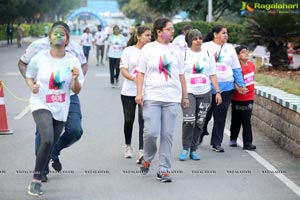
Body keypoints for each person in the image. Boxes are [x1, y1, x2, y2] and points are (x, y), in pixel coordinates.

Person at [18, 21, 87, 182]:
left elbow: (83, 66)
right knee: (43, 134)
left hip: (67, 94)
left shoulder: (74, 48)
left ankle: (53, 151)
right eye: (56, 33)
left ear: (68, 38)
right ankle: (41, 171)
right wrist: (31, 83)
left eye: (63, 34)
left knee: (75, 130)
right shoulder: (37, 46)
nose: (59, 36)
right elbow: (22, 63)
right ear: (49, 35)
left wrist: (75, 81)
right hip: (43, 96)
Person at [135, 17, 189, 182]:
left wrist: (184, 96)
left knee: (167, 134)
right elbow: (141, 73)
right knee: (151, 133)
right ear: (159, 32)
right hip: (152, 96)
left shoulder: (177, 50)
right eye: (169, 29)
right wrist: (139, 93)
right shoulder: (148, 49)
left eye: (173, 29)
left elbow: (181, 74)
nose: (172, 32)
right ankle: (148, 157)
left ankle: (163, 168)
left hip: (172, 98)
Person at [201, 25, 247, 152]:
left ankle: (216, 143)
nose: (226, 35)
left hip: (226, 86)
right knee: (206, 113)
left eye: (227, 33)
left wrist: (241, 84)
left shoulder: (230, 48)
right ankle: (199, 133)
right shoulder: (205, 47)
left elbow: (236, 68)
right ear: (215, 34)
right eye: (223, 33)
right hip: (208, 86)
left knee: (220, 115)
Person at [179, 29, 222, 161]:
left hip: (205, 92)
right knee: (189, 121)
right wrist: (183, 94)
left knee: (199, 122)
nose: (198, 41)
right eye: (195, 38)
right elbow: (179, 75)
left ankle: (193, 149)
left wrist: (218, 92)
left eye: (200, 38)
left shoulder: (208, 54)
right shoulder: (184, 55)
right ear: (190, 41)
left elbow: (213, 74)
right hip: (189, 92)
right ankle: (185, 148)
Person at [120, 26, 152, 163]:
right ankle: (127, 146)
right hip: (128, 91)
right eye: (147, 35)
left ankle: (141, 151)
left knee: (143, 120)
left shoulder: (151, 52)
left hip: (146, 91)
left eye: (151, 36)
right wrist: (135, 78)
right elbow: (123, 70)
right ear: (138, 36)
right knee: (129, 120)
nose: (150, 38)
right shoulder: (128, 51)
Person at [229, 45, 256, 150]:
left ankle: (247, 143)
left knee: (246, 120)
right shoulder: (236, 68)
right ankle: (233, 138)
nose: (246, 53)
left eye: (247, 51)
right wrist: (238, 88)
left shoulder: (251, 65)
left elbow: (253, 78)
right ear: (238, 56)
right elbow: (233, 80)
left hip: (249, 98)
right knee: (236, 120)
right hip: (237, 98)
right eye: (243, 52)